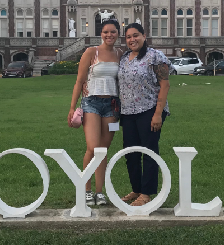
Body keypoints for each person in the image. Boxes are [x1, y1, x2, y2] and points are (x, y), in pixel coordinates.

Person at [68, 19, 122, 206]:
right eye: (106, 32)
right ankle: (87, 190)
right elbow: (79, 80)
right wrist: (72, 106)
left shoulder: (120, 54)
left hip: (112, 105)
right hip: (91, 103)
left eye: (113, 32)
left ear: (118, 34)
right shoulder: (92, 52)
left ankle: (100, 192)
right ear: (101, 33)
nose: (109, 35)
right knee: (92, 148)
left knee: (103, 150)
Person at [118, 23, 171, 206]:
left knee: (149, 151)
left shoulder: (155, 56)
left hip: (149, 110)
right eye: (128, 37)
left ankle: (147, 193)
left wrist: (158, 113)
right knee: (131, 153)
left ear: (144, 36)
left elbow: (164, 85)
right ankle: (137, 189)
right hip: (128, 112)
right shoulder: (125, 58)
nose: (132, 39)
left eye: (135, 35)